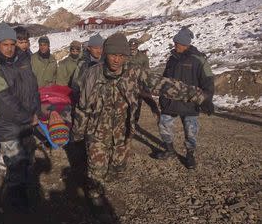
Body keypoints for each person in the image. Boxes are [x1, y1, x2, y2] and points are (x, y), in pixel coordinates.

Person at [71, 33, 211, 212]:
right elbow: (82, 106)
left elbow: (163, 84)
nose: (116, 60)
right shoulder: (92, 75)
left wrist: (199, 96)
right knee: (96, 169)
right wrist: (77, 134)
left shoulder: (134, 73)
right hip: (97, 131)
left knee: (118, 168)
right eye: (113, 55)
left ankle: (109, 176)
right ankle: (94, 193)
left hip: (123, 130)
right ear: (106, 54)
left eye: (121, 56)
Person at [0, 22, 40, 211]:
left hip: (26, 122)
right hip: (8, 125)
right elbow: (3, 100)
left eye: (11, 44)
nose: (9, 48)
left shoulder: (23, 60)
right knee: (15, 163)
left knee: (26, 160)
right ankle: (14, 204)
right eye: (4, 44)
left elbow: (32, 88)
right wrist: (27, 117)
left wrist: (37, 110)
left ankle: (19, 191)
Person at [156, 27, 215, 169]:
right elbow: (164, 79)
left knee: (190, 130)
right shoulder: (172, 59)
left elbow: (208, 81)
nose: (175, 46)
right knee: (163, 124)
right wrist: (162, 97)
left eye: (177, 44)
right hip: (171, 102)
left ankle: (190, 155)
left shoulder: (200, 60)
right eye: (175, 43)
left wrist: (206, 99)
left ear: (186, 44)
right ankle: (169, 150)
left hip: (190, 102)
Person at [127, 38, 160, 124]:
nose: (132, 50)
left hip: (141, 84)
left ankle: (158, 119)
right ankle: (130, 123)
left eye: (134, 48)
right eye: (131, 48)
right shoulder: (125, 56)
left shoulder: (143, 57)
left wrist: (147, 84)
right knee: (130, 105)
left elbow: (147, 71)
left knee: (144, 103)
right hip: (128, 85)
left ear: (137, 47)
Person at [71, 33, 104, 102]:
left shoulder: (105, 62)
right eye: (95, 48)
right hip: (85, 101)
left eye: (101, 48)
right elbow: (75, 85)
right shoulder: (83, 64)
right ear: (89, 48)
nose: (99, 51)